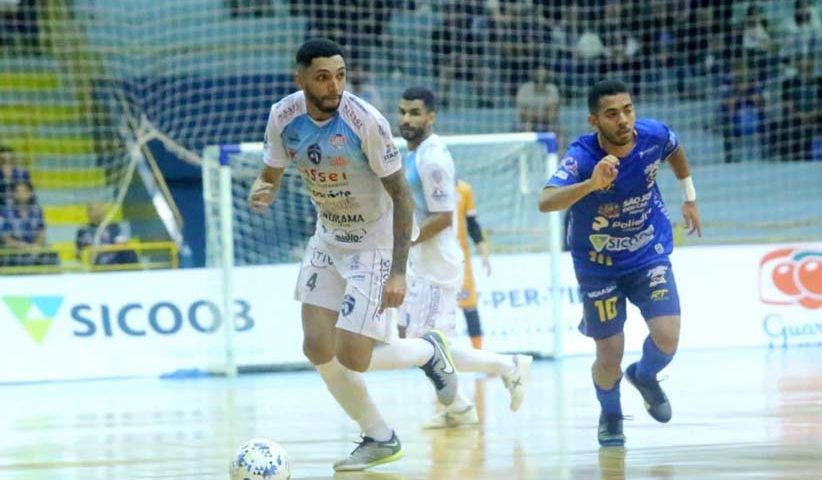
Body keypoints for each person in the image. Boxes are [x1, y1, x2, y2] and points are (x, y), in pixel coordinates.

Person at [247, 38, 459, 472]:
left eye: (340, 75)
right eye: (323, 77)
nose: (334, 86)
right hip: (328, 236)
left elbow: (402, 197)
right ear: (301, 80)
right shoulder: (283, 116)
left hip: (374, 241)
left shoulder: (366, 121)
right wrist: (262, 190)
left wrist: (398, 272)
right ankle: (379, 436)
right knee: (315, 345)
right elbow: (270, 174)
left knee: (353, 358)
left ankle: (427, 351)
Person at [538, 80, 702, 447]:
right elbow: (546, 201)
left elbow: (675, 150)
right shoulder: (582, 156)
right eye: (612, 114)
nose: (624, 120)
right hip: (598, 265)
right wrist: (591, 184)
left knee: (668, 335)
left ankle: (643, 375)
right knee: (609, 353)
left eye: (628, 110)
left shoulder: (653, 135)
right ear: (594, 120)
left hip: (647, 251)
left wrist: (689, 196)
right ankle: (611, 415)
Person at [396, 86, 532, 429]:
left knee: (425, 347)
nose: (406, 119)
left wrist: (404, 242)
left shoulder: (433, 158)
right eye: (403, 112)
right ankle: (466, 401)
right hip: (424, 260)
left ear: (431, 117)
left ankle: (505, 369)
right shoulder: (414, 154)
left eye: (415, 113)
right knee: (425, 345)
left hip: (438, 262)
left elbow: (443, 217)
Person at [455, 178, 490, 349]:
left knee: (469, 305)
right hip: (432, 259)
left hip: (460, 259)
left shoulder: (463, 190)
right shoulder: (424, 187)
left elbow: (472, 224)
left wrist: (483, 253)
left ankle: (478, 352)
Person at [75, 202, 138, 267]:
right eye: (92, 210)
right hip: (96, 263)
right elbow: (79, 253)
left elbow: (121, 244)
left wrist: (111, 247)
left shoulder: (113, 227)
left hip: (114, 262)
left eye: (99, 209)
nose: (98, 213)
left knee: (129, 251)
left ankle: (136, 271)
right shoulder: (83, 230)